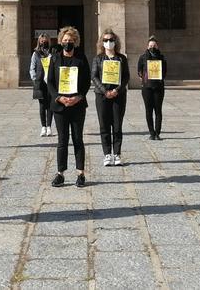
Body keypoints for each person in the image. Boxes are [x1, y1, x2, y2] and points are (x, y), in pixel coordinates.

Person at [46, 26, 90, 188]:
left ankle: (80, 173)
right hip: (60, 105)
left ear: (75, 42)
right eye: (65, 41)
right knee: (62, 140)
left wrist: (78, 97)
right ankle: (60, 173)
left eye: (70, 41)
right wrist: (59, 97)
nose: (67, 43)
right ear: (60, 42)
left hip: (77, 105)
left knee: (78, 139)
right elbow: (50, 81)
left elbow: (86, 81)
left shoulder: (81, 58)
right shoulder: (55, 58)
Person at [92, 28, 131, 166]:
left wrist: (117, 90)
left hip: (118, 95)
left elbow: (126, 76)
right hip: (102, 95)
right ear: (102, 43)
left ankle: (117, 153)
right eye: (106, 40)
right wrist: (105, 91)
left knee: (117, 125)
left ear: (116, 42)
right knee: (104, 125)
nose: (109, 42)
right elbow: (94, 76)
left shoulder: (122, 58)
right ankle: (107, 153)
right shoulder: (98, 59)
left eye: (111, 40)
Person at [137, 36, 167, 140]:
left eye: (154, 45)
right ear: (147, 46)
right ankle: (151, 132)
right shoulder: (143, 57)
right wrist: (143, 76)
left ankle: (157, 132)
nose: (152, 47)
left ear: (157, 46)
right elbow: (139, 70)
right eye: (150, 45)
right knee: (148, 110)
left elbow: (165, 71)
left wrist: (159, 75)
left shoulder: (162, 58)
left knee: (158, 110)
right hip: (147, 88)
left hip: (158, 87)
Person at [29, 34, 54, 137]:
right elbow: (32, 67)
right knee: (42, 105)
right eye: (42, 41)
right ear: (39, 42)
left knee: (50, 105)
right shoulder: (36, 54)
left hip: (51, 82)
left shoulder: (52, 53)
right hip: (40, 83)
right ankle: (43, 127)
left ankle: (49, 127)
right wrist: (35, 79)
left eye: (46, 41)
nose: (44, 43)